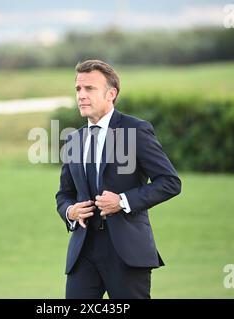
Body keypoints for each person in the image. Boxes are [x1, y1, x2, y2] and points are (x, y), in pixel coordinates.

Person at [55, 59, 181, 299]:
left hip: (126, 251)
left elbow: (170, 182)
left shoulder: (135, 130)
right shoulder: (73, 139)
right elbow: (64, 194)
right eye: (78, 89)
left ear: (111, 94)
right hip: (83, 252)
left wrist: (122, 201)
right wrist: (70, 211)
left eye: (89, 88)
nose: (81, 95)